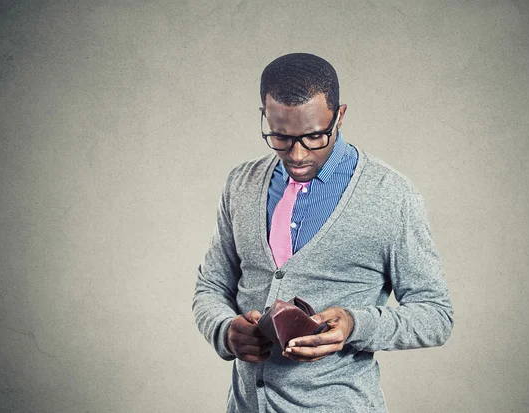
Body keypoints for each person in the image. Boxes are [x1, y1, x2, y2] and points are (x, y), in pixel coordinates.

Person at [192, 52, 453, 413]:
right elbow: (211, 288)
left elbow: (436, 315)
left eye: (314, 136)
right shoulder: (241, 183)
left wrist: (354, 324)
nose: (297, 154)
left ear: (340, 115)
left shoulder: (392, 195)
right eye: (280, 136)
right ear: (264, 115)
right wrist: (224, 331)